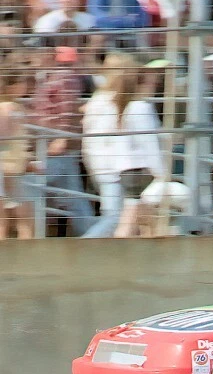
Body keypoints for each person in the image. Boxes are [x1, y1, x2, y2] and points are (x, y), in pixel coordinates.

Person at [81, 53, 164, 237]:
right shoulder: (107, 102)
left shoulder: (111, 100)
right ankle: (84, 249)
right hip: (112, 168)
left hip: (114, 167)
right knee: (116, 218)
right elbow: (101, 140)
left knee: (132, 217)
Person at [30, 37, 95, 236]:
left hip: (57, 144)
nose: (32, 57)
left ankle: (92, 234)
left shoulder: (63, 76)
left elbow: (68, 107)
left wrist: (63, 137)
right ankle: (91, 235)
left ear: (49, 54)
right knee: (73, 196)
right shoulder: (45, 77)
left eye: (36, 53)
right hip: (49, 143)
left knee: (30, 183)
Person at [0, 69, 34, 239]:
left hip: (14, 167)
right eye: (21, 82)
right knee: (16, 217)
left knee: (20, 216)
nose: (25, 86)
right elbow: (3, 140)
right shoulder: (6, 108)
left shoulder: (16, 107)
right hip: (7, 168)